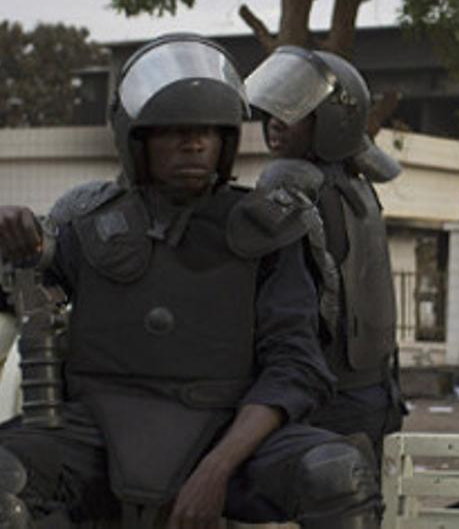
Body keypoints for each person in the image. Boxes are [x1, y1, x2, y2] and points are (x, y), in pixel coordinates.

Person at [0, 34, 381, 527]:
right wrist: (15, 244)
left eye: (207, 129)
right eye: (173, 129)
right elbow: (24, 288)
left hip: (229, 429)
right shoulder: (89, 223)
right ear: (137, 138)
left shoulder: (268, 229)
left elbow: (295, 367)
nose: (194, 142)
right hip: (98, 429)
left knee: (336, 474)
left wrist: (217, 469)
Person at [244, 46, 405, 461]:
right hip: (375, 388)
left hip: (325, 397)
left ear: (333, 122)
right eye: (274, 109)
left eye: (295, 111)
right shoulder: (357, 182)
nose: (276, 122)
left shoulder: (291, 181)